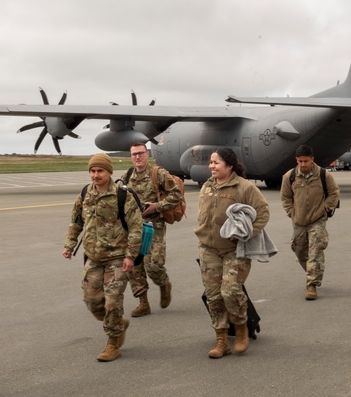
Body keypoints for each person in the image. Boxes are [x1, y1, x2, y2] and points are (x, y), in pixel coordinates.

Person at [63, 153, 143, 362]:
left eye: (100, 171)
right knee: (91, 300)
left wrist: (130, 256)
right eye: (92, 171)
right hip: (93, 257)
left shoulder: (121, 195)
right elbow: (76, 222)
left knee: (112, 302)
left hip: (117, 257)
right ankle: (117, 323)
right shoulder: (85, 194)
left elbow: (135, 227)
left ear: (109, 172)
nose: (95, 175)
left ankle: (113, 342)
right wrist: (69, 245)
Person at [194, 147, 270, 358]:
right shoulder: (207, 186)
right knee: (213, 296)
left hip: (235, 250)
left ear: (229, 165)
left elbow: (263, 213)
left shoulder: (244, 187)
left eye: (216, 163)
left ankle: (241, 328)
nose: (211, 166)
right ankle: (221, 340)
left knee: (230, 292)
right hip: (208, 249)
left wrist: (247, 233)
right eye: (210, 162)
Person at [120, 142, 183, 317]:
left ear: (147, 154)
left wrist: (157, 206)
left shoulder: (158, 174)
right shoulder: (127, 175)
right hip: (133, 227)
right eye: (134, 154)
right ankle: (143, 302)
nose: (137, 157)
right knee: (134, 265)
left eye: (140, 153)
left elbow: (176, 193)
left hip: (154, 226)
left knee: (154, 264)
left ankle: (163, 283)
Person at [280, 145, 340, 301]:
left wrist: (324, 209)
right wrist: (291, 212)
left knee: (315, 251)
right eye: (300, 161)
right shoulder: (290, 176)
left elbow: (334, 194)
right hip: (299, 221)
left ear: (312, 159)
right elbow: (286, 198)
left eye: (306, 161)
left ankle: (311, 285)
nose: (303, 165)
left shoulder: (323, 175)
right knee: (299, 251)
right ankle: (313, 271)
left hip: (317, 220)